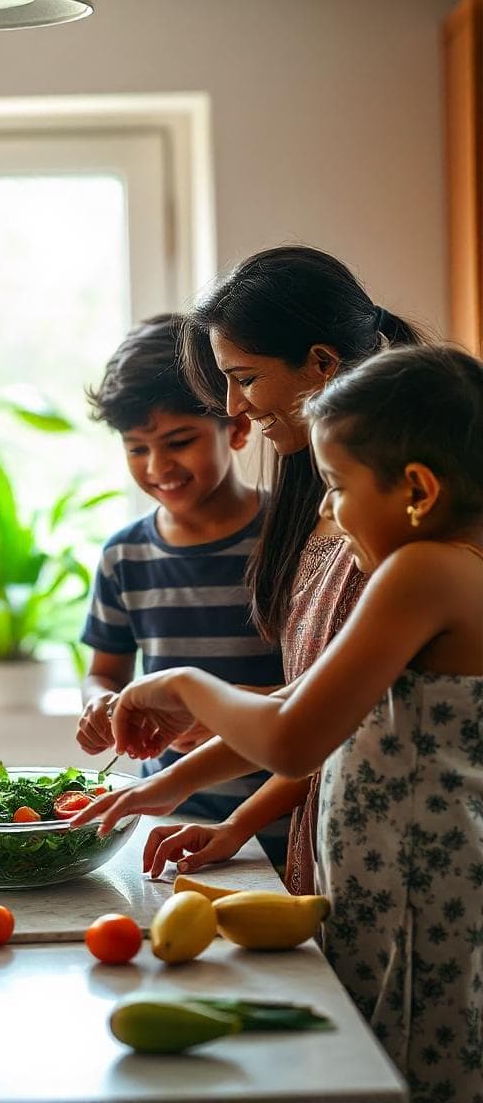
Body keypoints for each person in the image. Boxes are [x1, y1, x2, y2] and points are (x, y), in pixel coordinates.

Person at [93, 344, 483, 1101]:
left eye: (336, 486)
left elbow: (295, 737)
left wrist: (181, 682)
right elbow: (301, 705)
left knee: (404, 1071)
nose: (329, 512)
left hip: (415, 890)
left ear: (418, 489)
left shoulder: (422, 571)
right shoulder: (450, 566)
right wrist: (161, 788)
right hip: (408, 878)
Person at [71, 246, 427, 893]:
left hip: (405, 862)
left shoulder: (404, 547)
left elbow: (306, 727)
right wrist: (215, 810)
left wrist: (183, 690)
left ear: (321, 364)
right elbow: (314, 710)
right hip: (331, 849)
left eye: (244, 377)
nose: (235, 407)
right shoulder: (314, 507)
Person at [76, 315, 287, 865]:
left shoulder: (290, 539)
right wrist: (101, 703)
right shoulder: (124, 556)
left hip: (280, 819)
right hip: (166, 819)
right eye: (137, 449)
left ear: (236, 429)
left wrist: (219, 710)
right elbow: (106, 670)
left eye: (178, 441)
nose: (158, 466)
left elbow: (318, 693)